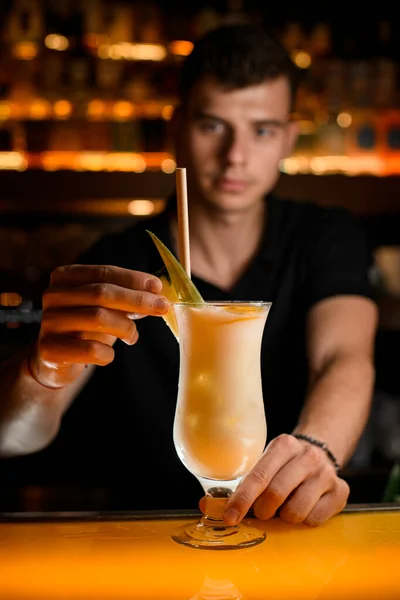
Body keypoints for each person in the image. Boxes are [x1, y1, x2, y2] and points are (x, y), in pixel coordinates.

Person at [0, 23, 378, 527]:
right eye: (212, 126)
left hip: (279, 529)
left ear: (288, 138)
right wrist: (42, 369)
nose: (235, 156)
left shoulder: (324, 236)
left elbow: (343, 357)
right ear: (177, 129)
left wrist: (317, 449)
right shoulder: (118, 265)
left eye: (261, 129)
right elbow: (15, 437)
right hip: (141, 534)